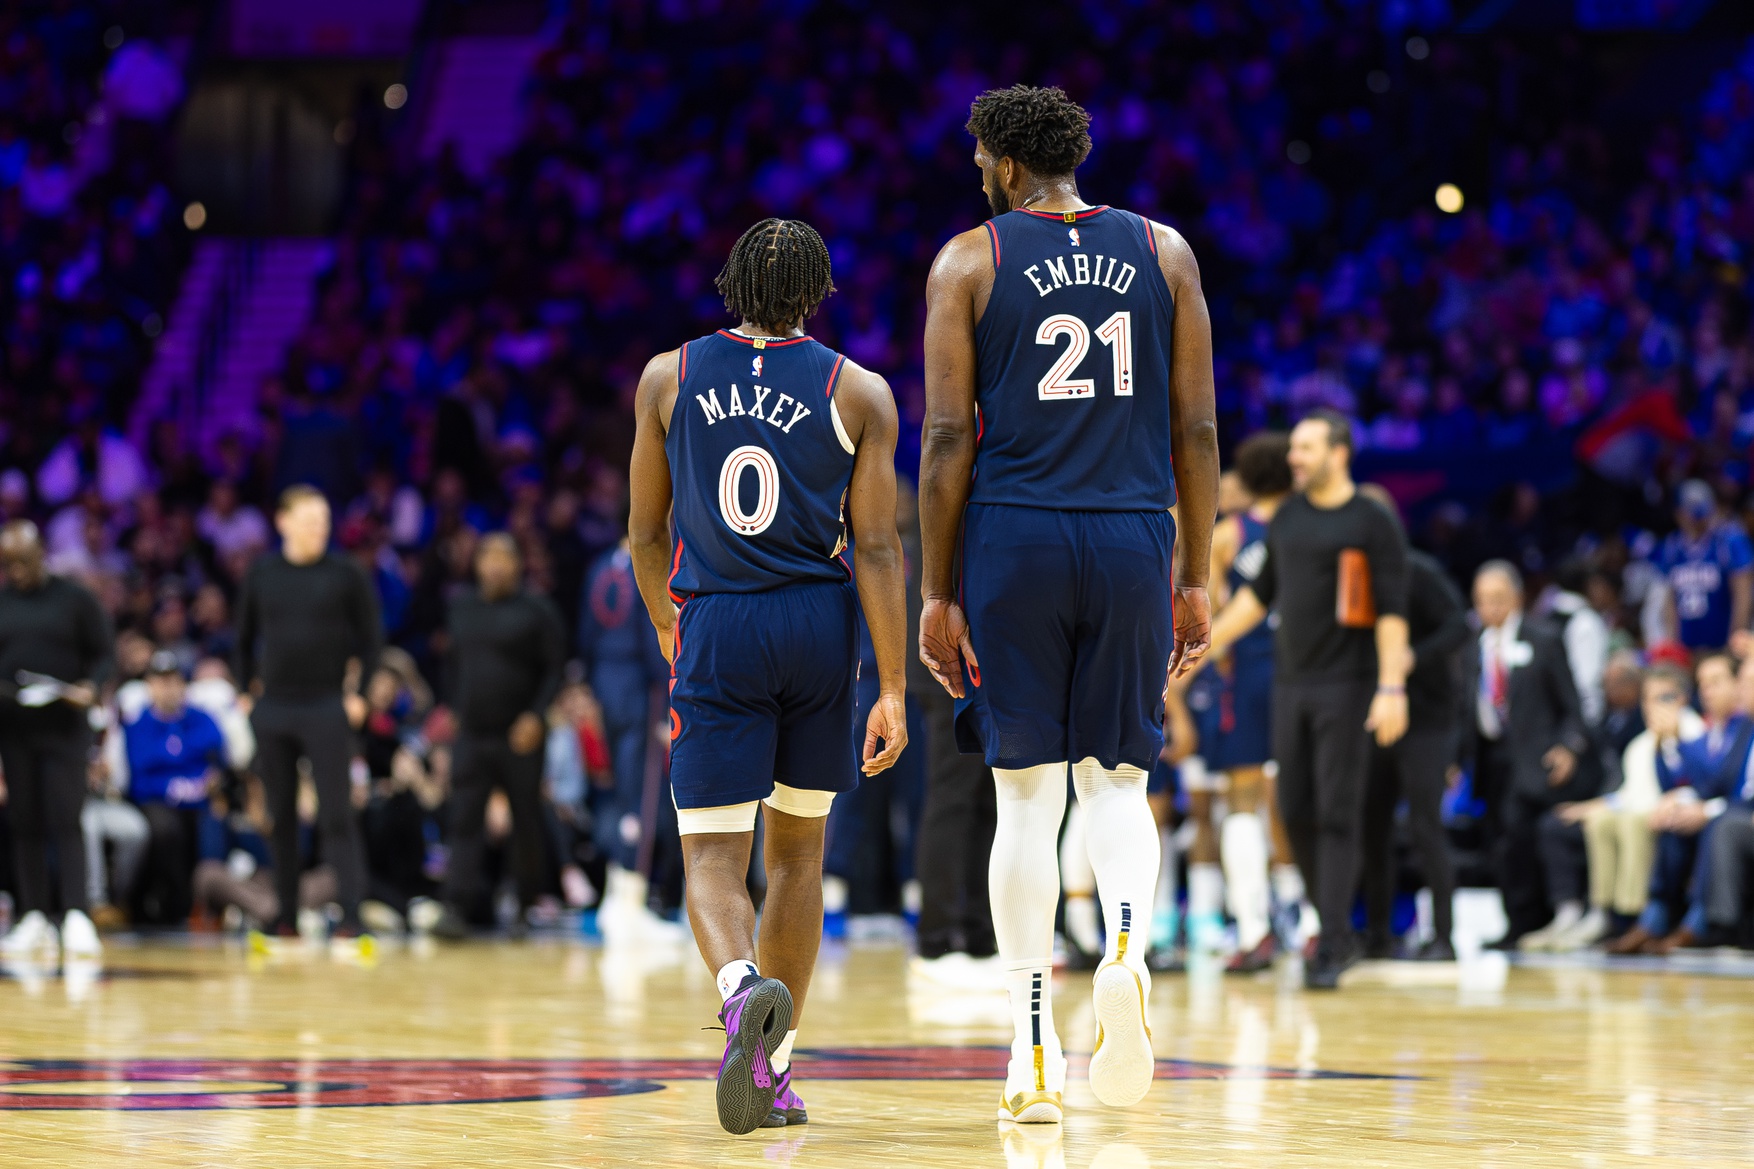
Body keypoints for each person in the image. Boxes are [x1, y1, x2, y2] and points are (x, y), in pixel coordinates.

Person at [917, 85, 1217, 1120]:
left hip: (1017, 536)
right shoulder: (1164, 251)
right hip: (1134, 532)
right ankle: (1125, 953)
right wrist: (1196, 573)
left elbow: (948, 438)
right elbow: (1199, 432)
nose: (973, 172)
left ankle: (1031, 1048)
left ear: (1004, 162)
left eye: (976, 157)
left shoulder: (969, 258)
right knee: (1118, 785)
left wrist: (935, 588)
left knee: (1025, 800)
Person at [626, 217, 909, 1135]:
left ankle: (741, 988)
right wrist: (896, 686)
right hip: (817, 627)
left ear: (729, 284)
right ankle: (773, 1066)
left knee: (712, 854)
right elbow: (876, 545)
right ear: (818, 294)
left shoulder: (668, 376)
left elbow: (643, 531)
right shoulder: (858, 390)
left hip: (721, 618)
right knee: (797, 856)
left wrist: (672, 622)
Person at [1207, 412, 1411, 988]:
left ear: (1338, 453)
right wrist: (1203, 647)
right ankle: (1330, 925)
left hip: (1348, 685)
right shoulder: (1288, 517)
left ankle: (1334, 939)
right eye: (1293, 447)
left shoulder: (1371, 519)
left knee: (1337, 812)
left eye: (1306, 447)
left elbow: (1392, 610)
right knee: (1292, 809)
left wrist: (1391, 687)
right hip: (1290, 686)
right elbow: (1256, 597)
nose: (1294, 457)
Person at [234, 485, 382, 944]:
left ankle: (352, 916)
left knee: (336, 814)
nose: (320, 528)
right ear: (283, 521)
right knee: (279, 815)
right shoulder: (263, 574)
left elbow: (372, 636)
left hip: (325, 704)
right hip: (275, 706)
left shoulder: (345, 574)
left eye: (323, 520)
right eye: (309, 519)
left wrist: (360, 695)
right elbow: (240, 639)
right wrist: (245, 693)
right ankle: (287, 916)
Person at [431, 533, 565, 938]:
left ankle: (524, 907)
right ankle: (456, 907)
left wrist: (536, 716)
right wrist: (451, 706)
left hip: (518, 734)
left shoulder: (538, 611)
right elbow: (450, 664)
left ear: (518, 564)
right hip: (472, 733)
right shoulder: (460, 608)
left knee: (526, 819)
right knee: (464, 820)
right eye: (487, 556)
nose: (494, 564)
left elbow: (555, 669)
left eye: (503, 557)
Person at [1357, 484, 1470, 961]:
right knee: (1373, 825)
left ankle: (1443, 936)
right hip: (1376, 713)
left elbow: (1459, 625)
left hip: (1427, 716)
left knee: (1425, 826)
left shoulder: (1418, 571)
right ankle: (1380, 933)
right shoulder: (1353, 578)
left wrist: (1411, 658)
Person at [0, 520, 114, 959]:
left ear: (41, 554)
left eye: (23, 562)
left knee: (67, 819)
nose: (16, 571)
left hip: (65, 726)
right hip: (15, 727)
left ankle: (76, 915)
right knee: (24, 822)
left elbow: (104, 653)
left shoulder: (75, 599)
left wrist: (91, 686)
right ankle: (33, 916)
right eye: (8, 564)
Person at [1468, 561, 1594, 949]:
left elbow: (1572, 705)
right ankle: (1513, 923)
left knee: (1522, 836)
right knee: (1497, 841)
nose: (1491, 608)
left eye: (1498, 599)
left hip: (1536, 759)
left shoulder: (1543, 637)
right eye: (1483, 600)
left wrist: (1569, 746)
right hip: (1491, 759)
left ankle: (1532, 919)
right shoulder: (1472, 646)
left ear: (1517, 598)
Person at [1205, 431, 1295, 974]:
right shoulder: (1311, 524)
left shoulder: (1228, 535)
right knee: (1295, 797)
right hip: (1306, 673)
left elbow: (1212, 614)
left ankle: (1254, 927)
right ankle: (1306, 922)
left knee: (1242, 798)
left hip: (1247, 670)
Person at [1533, 661, 1693, 952]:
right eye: (1648, 698)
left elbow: (1700, 782)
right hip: (1639, 809)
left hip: (1671, 815)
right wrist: (1590, 807)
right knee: (1600, 820)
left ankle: (1637, 914)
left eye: (1664, 697)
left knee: (1628, 821)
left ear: (1682, 699)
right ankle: (1601, 911)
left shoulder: (1694, 733)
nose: (1654, 706)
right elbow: (1628, 794)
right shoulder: (1640, 744)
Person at [1609, 652, 1748, 954]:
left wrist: (1678, 743)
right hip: (1720, 811)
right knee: (1673, 823)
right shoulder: (1712, 733)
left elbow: (1724, 785)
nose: (1707, 691)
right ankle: (1656, 914)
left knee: (1715, 825)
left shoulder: (1743, 728)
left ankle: (1698, 921)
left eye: (1716, 682)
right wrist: (1676, 792)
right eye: (1703, 684)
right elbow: (1696, 784)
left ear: (1738, 685)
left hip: (1731, 815)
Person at [577, 536, 675, 941]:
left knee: (616, 794)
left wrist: (587, 684)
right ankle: (629, 903)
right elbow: (657, 630)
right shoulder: (647, 565)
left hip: (603, 687)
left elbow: (585, 634)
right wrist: (670, 694)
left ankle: (615, 898)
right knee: (643, 797)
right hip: (641, 691)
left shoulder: (600, 567)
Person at [124, 651, 227, 925]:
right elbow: (137, 778)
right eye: (161, 681)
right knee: (166, 830)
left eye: (173, 680)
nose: (168, 688)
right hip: (155, 799)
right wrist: (172, 786)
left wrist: (206, 782)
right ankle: (173, 907)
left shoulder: (201, 718)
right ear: (149, 685)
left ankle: (210, 907)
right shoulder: (139, 725)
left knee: (213, 826)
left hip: (201, 799)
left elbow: (219, 759)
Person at [1658, 479, 1753, 653]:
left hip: (1722, 643)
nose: (1696, 518)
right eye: (1691, 510)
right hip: (1687, 644)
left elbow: (1743, 591)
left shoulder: (1728, 540)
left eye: (1701, 510)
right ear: (1678, 513)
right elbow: (1670, 599)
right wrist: (1674, 644)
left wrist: (1736, 637)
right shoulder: (1672, 546)